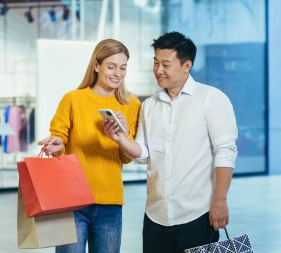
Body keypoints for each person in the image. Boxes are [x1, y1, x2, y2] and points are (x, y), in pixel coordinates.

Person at [104, 31, 238, 252]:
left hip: (198, 215)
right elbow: (144, 155)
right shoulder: (149, 106)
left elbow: (225, 151)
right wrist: (120, 139)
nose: (158, 70)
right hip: (155, 216)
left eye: (165, 64)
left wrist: (220, 201)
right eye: (155, 63)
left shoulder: (211, 99)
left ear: (187, 65)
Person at [39, 39, 141, 253]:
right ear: (96, 65)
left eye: (123, 68)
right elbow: (59, 138)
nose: (118, 73)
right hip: (72, 201)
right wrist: (57, 145)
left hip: (110, 203)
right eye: (111, 66)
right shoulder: (73, 99)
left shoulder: (132, 105)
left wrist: (121, 136)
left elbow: (126, 158)